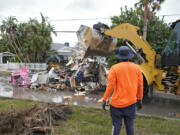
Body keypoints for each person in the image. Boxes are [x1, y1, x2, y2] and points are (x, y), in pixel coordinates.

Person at [102, 46, 143, 135]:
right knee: (130, 126)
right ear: (130, 56)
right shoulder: (137, 68)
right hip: (131, 104)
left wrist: (104, 99)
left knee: (116, 126)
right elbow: (140, 86)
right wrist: (140, 99)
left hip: (116, 105)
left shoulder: (114, 68)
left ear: (118, 57)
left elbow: (110, 86)